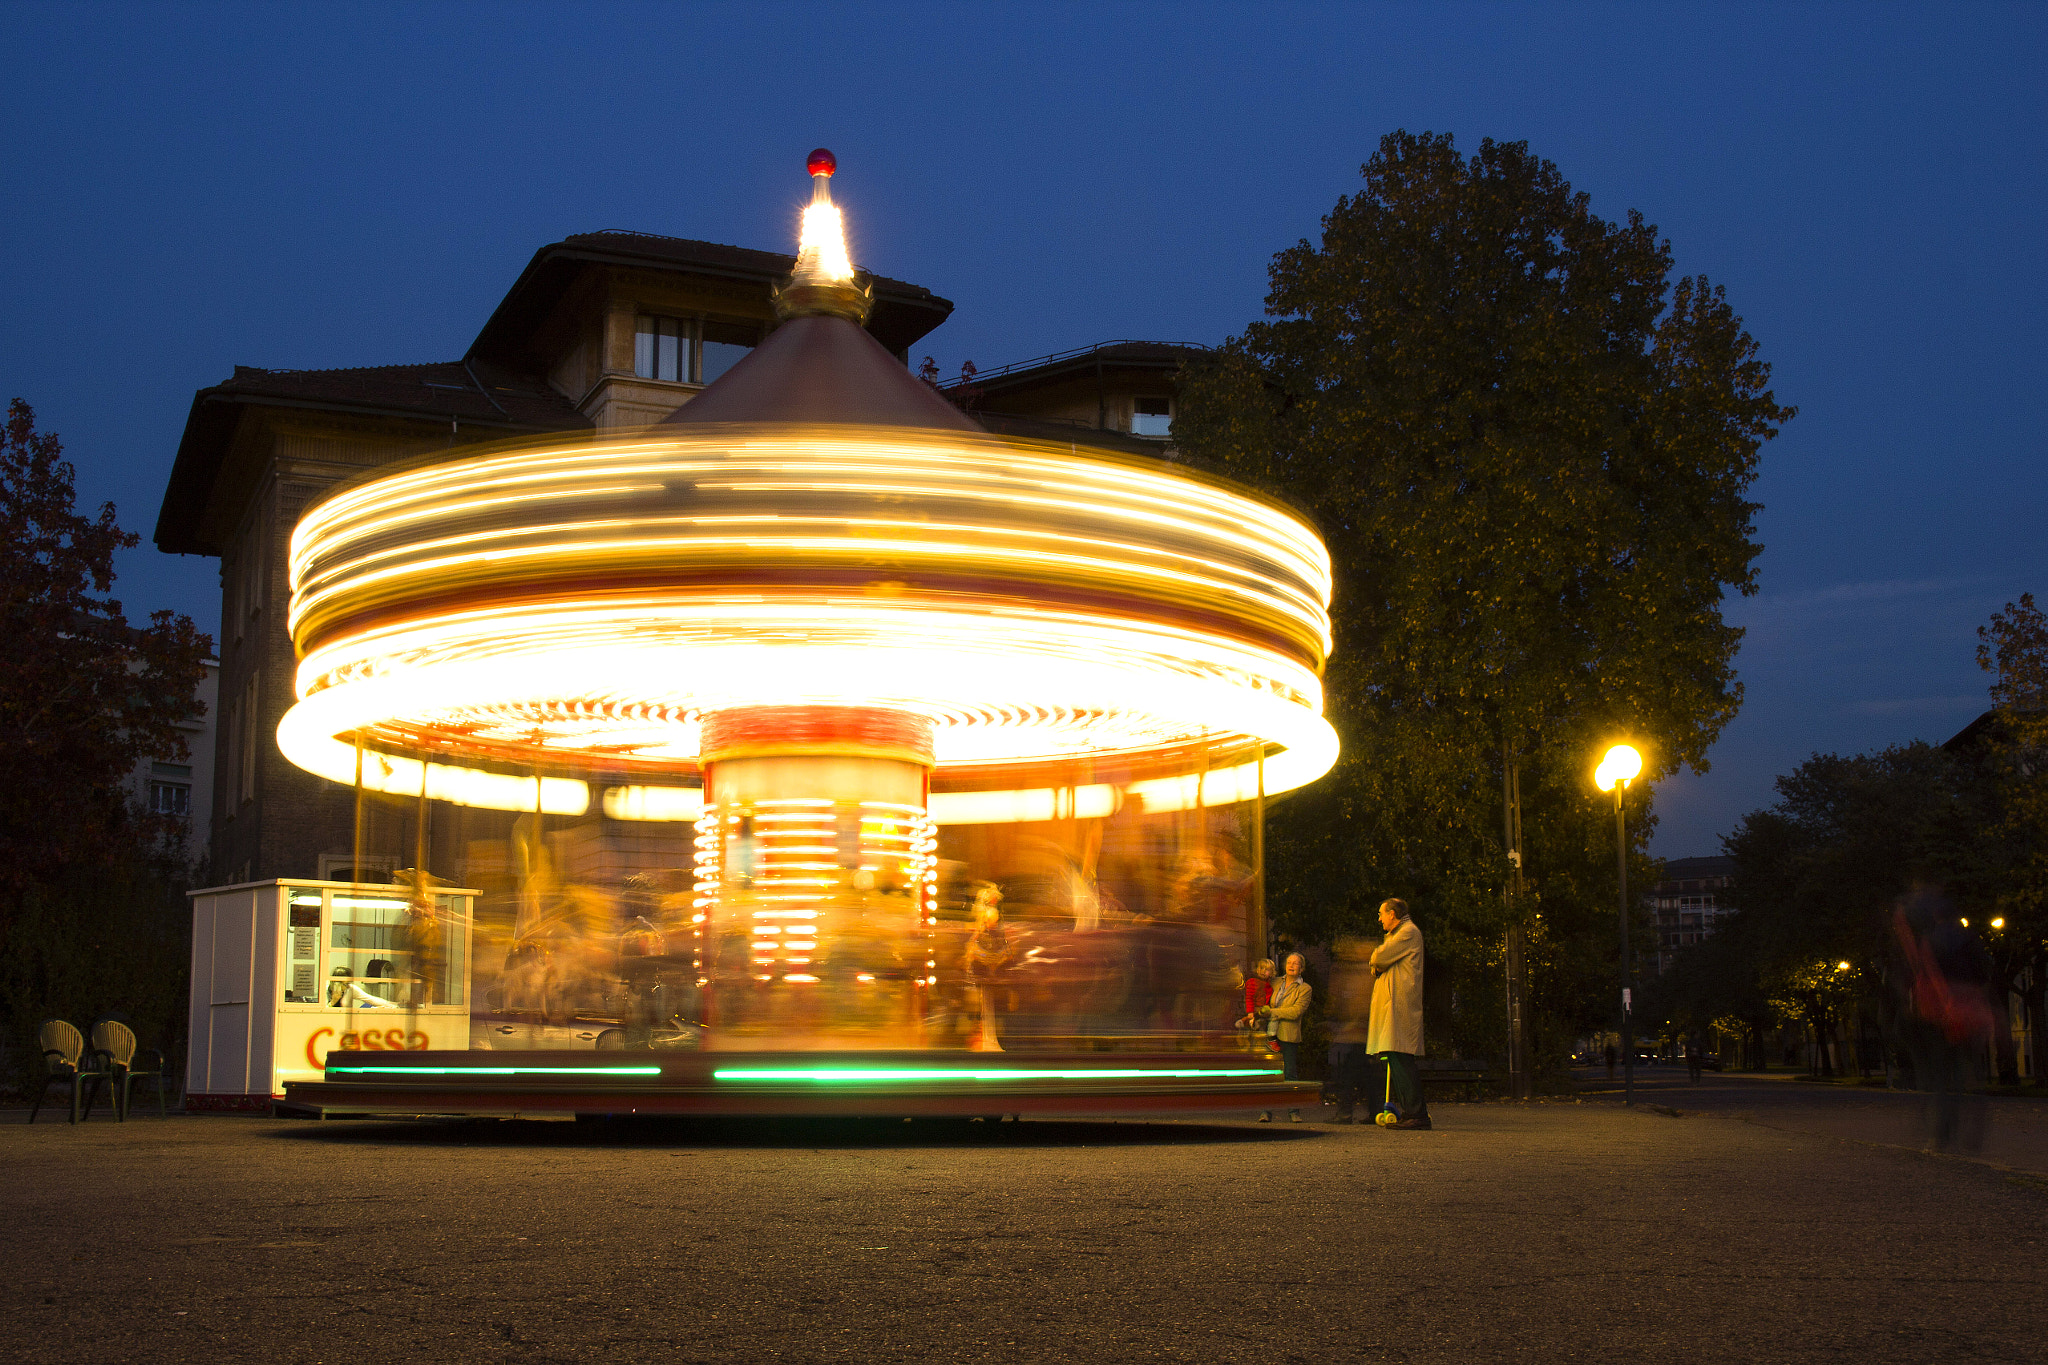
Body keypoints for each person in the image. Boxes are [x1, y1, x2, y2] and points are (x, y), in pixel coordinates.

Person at [1369, 898, 1429, 1129]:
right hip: (1395, 1005)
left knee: (1401, 1058)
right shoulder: (1401, 934)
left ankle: (1416, 1113)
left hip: (1399, 1006)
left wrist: (1379, 962)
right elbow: (1379, 963)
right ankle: (1411, 1112)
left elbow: (1378, 958)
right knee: (1397, 1058)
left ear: (1392, 914)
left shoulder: (1407, 932)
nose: (1380, 918)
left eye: (1382, 913)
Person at [1324, 936, 1380, 1124]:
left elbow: (1357, 1004)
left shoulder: (1362, 975)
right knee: (1362, 1076)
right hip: (1356, 1034)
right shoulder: (1361, 973)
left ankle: (1348, 1112)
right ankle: (1371, 1111)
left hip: (1356, 1033)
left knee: (1349, 1075)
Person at [1257, 952, 1312, 1122]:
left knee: (1289, 1073)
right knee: (1269, 1072)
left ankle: (1293, 1111)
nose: (1291, 965)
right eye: (1289, 962)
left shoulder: (1304, 989)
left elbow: (1295, 1012)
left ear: (1301, 968)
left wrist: (1272, 1012)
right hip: (1270, 1033)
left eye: (1295, 963)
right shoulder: (1275, 982)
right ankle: (1265, 1111)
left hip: (1288, 1035)